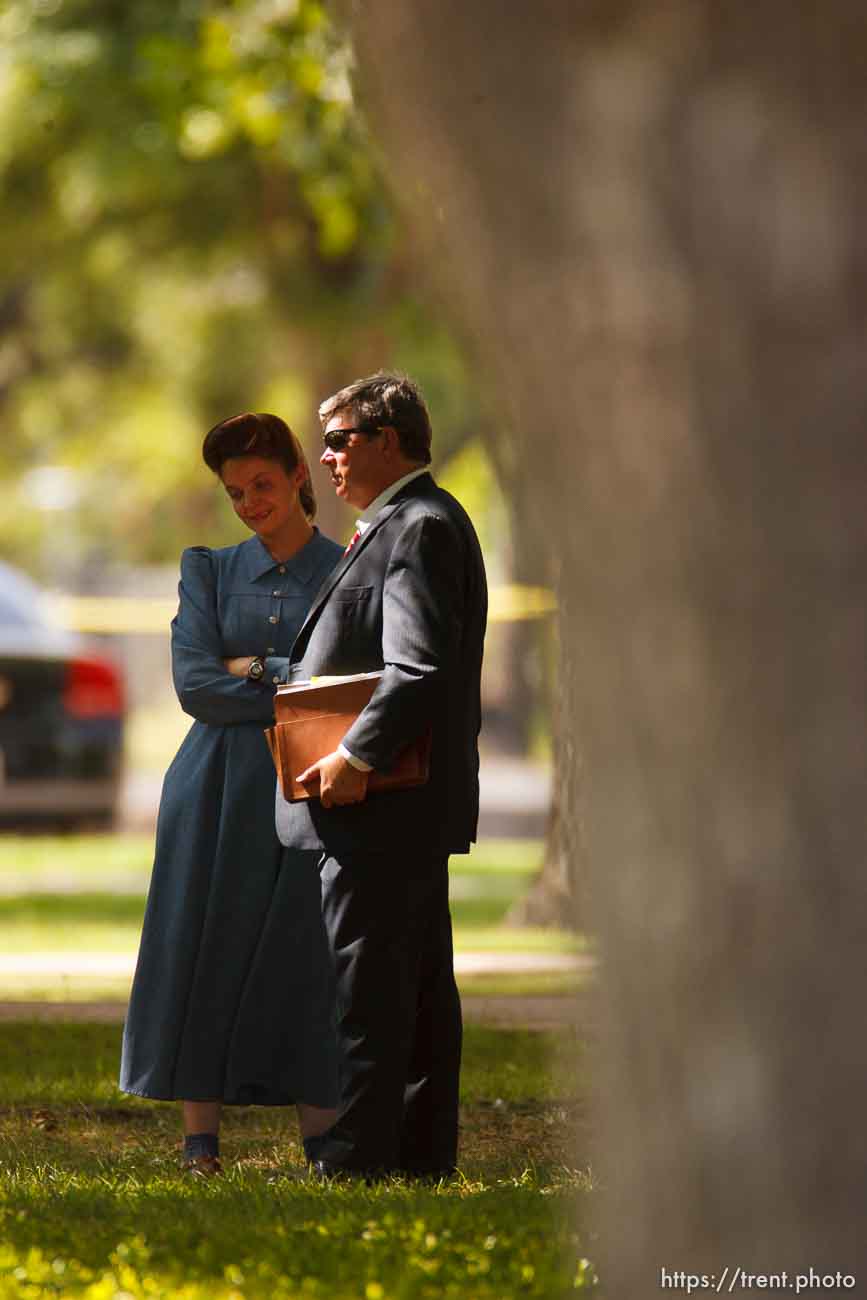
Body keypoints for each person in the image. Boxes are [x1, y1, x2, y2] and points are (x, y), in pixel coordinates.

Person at [275, 372, 488, 1180]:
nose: (324, 457)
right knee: (416, 990)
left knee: (369, 990)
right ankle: (419, 1157)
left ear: (387, 440)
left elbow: (416, 668)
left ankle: (356, 1161)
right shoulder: (396, 523)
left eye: (339, 439)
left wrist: (354, 757)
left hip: (382, 803)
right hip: (391, 810)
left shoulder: (421, 526)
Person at [119, 412, 343, 1175]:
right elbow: (195, 685)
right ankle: (199, 1142)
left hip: (314, 783)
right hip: (212, 789)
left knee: (308, 951)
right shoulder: (207, 569)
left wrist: (249, 664)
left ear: (298, 480)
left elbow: (343, 690)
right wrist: (281, 675)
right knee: (202, 945)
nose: (249, 503)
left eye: (263, 485)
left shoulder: (348, 569)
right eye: (235, 491)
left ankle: (322, 1141)